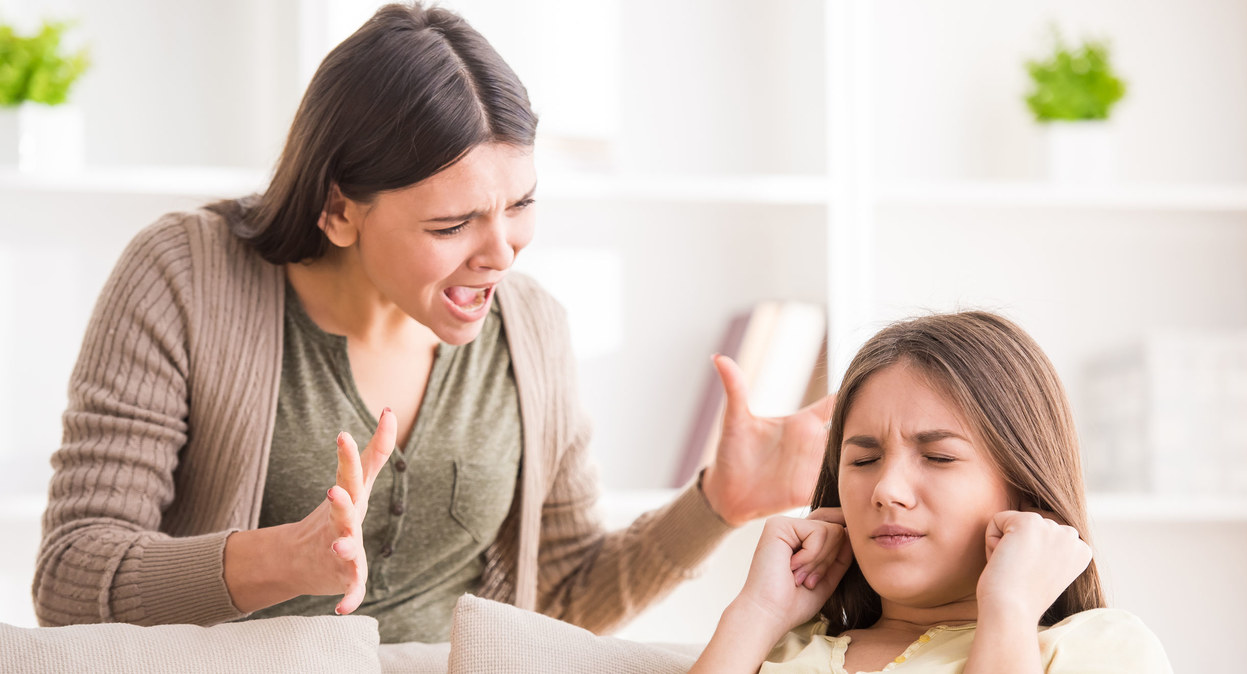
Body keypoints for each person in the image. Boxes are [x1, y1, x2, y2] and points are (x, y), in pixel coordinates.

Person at [32, 3, 832, 644]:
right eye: (452, 226)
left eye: (520, 206)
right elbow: (70, 582)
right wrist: (285, 560)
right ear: (339, 208)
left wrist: (717, 504)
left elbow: (555, 604)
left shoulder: (532, 332)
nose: (501, 255)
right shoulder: (186, 276)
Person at [691, 311, 1173, 673]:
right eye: (862, 460)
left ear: (1025, 488)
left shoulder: (1101, 649)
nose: (886, 490)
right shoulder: (772, 646)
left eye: (939, 457)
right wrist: (758, 612)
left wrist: (1009, 610)